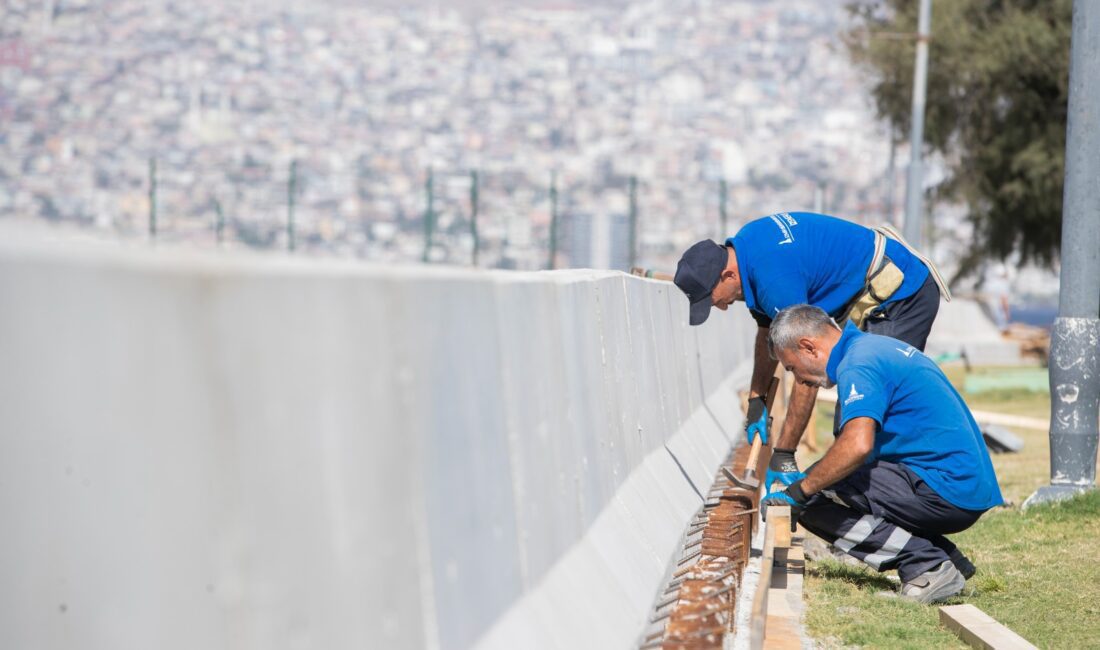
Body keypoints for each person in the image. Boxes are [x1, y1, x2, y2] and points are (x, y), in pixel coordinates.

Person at [673, 212, 949, 489]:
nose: (720, 307)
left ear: (728, 275)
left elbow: (809, 368)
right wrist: (757, 398)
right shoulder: (748, 250)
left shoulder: (773, 280)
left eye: (712, 300)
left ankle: (914, 495)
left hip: (902, 295)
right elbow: (768, 330)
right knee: (854, 421)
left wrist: (784, 452)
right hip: (872, 298)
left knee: (862, 417)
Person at [760, 305, 1002, 603]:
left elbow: (857, 445)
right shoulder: (870, 347)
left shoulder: (857, 364)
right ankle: (947, 558)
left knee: (812, 500)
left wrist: (800, 491)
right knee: (823, 482)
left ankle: (927, 566)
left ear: (808, 347)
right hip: (960, 484)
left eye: (792, 368)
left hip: (948, 489)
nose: (799, 379)